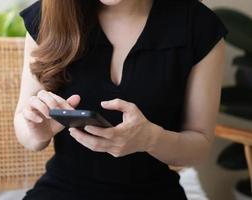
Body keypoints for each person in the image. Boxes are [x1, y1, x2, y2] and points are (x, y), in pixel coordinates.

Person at [14, 0, 228, 199]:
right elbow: (25, 127)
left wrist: (151, 139)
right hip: (62, 190)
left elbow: (199, 147)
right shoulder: (50, 13)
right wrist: (36, 131)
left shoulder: (198, 26)